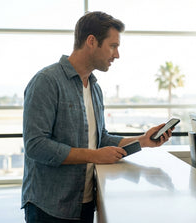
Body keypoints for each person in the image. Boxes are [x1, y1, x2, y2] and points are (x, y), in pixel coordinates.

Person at [21, 11, 173, 222]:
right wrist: (94, 155)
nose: (117, 54)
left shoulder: (94, 88)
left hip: (84, 204)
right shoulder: (46, 82)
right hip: (49, 207)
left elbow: (100, 138)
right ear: (91, 41)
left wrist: (142, 141)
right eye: (113, 46)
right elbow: (36, 146)